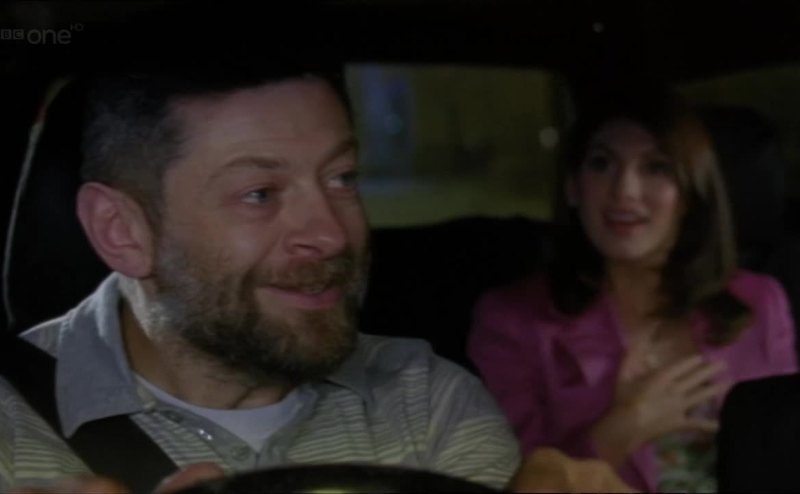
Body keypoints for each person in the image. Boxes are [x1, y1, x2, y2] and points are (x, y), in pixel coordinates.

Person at [0, 58, 635, 493]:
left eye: (342, 178)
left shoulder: (428, 402)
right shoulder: (10, 425)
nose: (332, 234)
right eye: (260, 193)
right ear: (123, 230)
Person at [468, 88, 799, 492]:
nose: (624, 190)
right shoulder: (511, 321)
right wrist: (623, 427)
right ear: (573, 187)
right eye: (601, 164)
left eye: (657, 167)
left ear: (690, 193)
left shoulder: (760, 301)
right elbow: (512, 483)